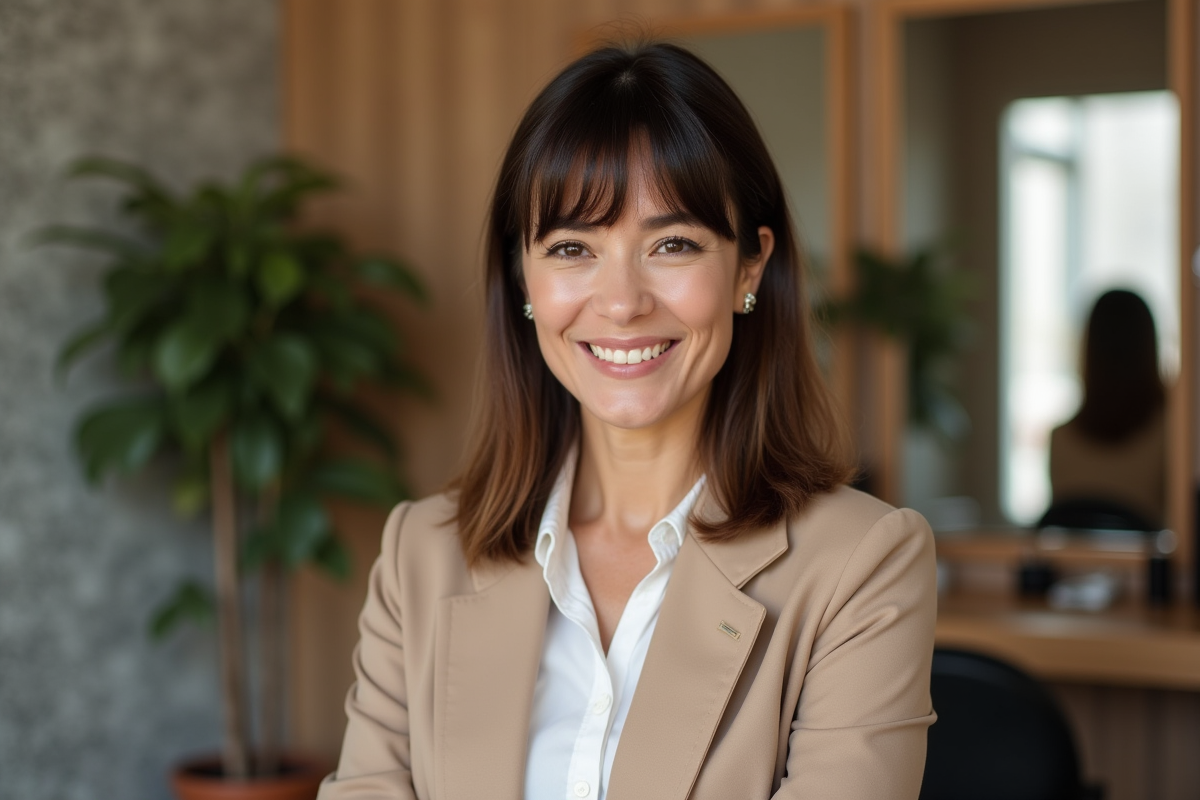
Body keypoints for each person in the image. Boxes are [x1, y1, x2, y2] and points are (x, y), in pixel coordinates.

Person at [317, 42, 936, 800]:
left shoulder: (859, 566)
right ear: (523, 276)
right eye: (572, 248)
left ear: (749, 266)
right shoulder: (420, 555)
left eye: (672, 244)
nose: (621, 301)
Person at [1048, 289, 1167, 529]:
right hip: (1149, 568)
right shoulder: (1172, 437)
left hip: (1079, 568)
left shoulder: (1060, 440)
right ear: (1149, 347)